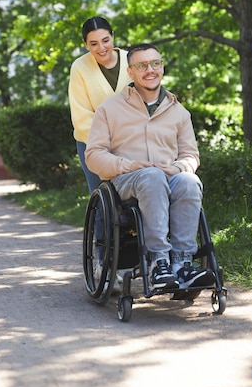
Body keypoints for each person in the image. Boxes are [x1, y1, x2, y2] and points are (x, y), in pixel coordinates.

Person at [85, 43, 215, 291]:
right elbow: (93, 155)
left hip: (168, 177)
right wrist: (129, 164)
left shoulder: (178, 112)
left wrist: (177, 169)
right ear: (130, 72)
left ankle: (182, 264)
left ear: (162, 68)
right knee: (152, 177)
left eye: (155, 64)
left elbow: (190, 155)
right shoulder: (109, 109)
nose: (150, 70)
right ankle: (158, 262)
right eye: (142, 65)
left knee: (190, 180)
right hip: (127, 179)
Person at [68, 16, 130, 193]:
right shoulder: (79, 67)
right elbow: (82, 117)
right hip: (93, 143)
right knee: (102, 198)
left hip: (133, 141)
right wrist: (106, 145)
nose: (101, 48)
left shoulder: (132, 61)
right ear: (85, 44)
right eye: (93, 44)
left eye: (105, 41)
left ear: (113, 36)